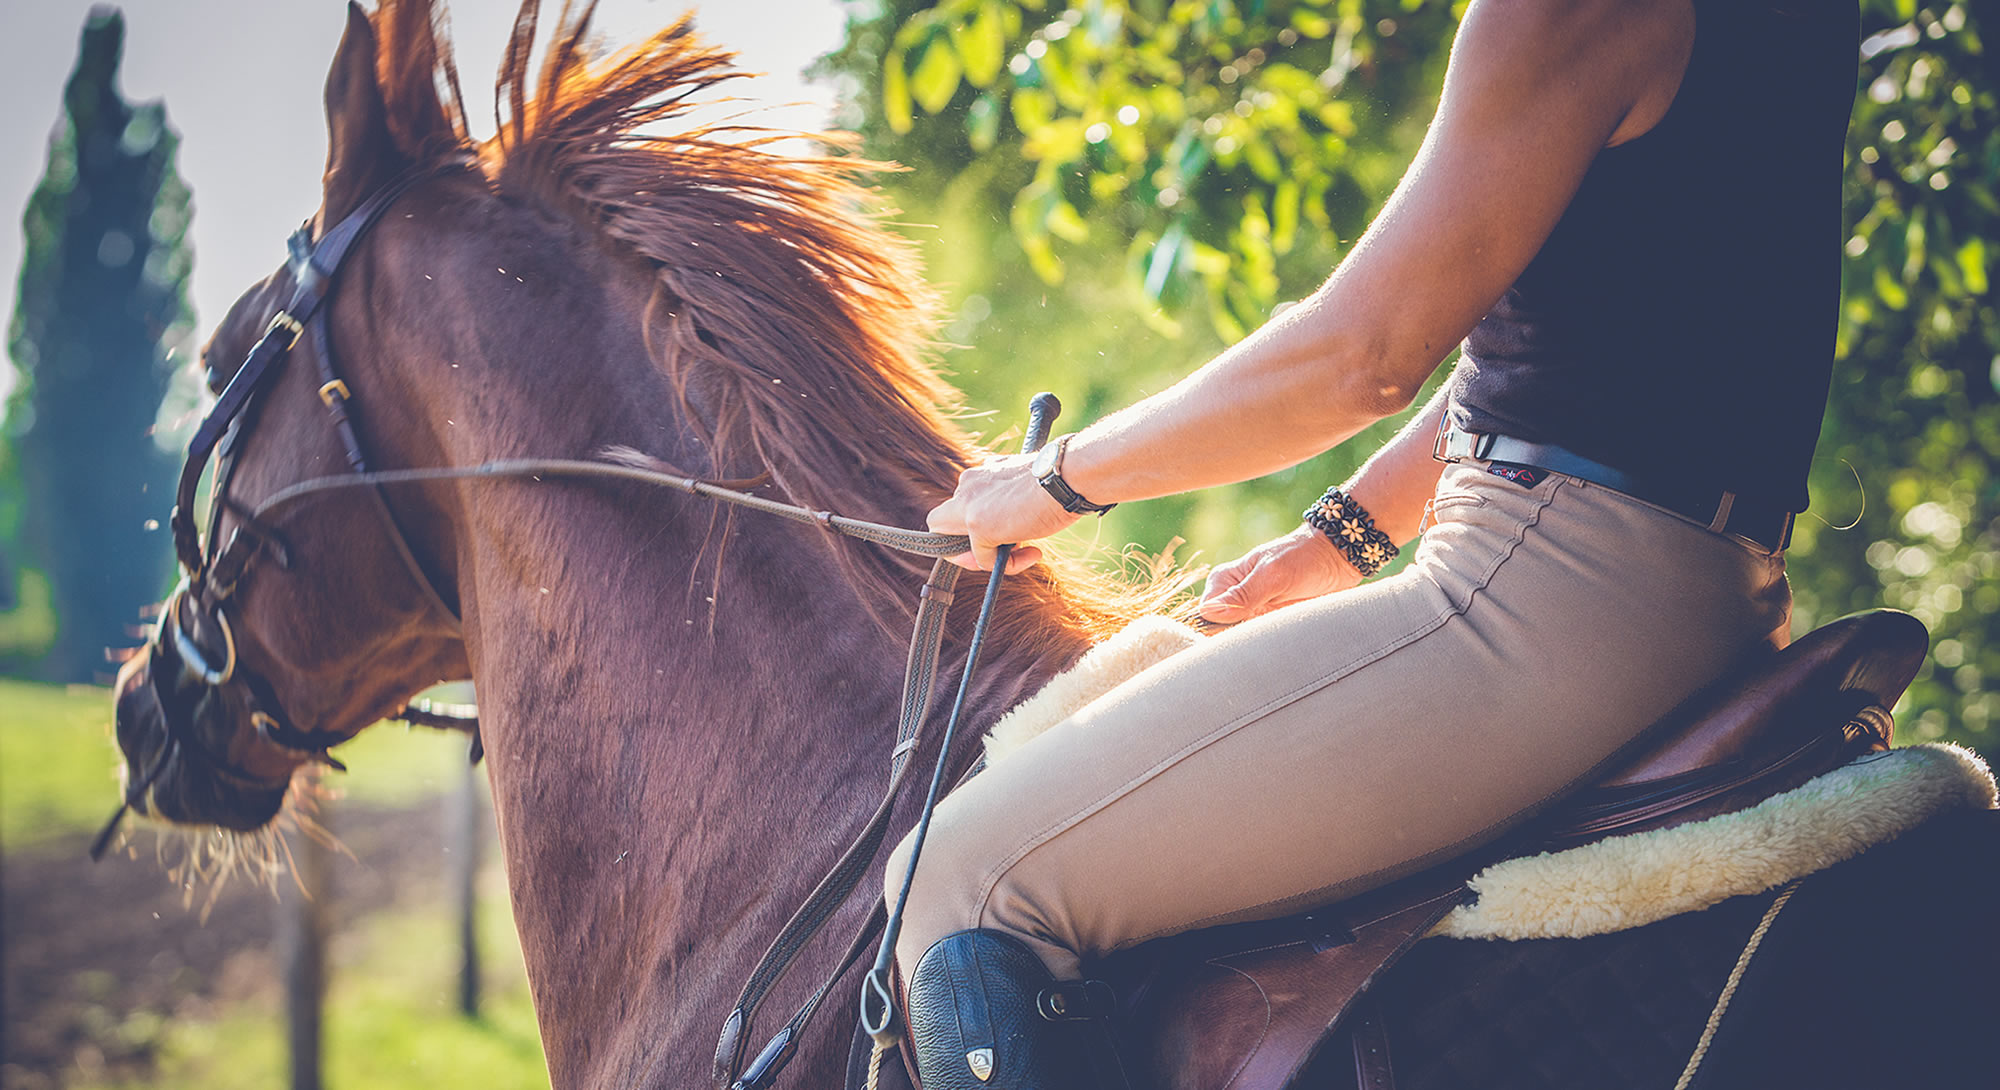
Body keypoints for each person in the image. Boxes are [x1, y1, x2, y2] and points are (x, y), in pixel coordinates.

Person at [886, 1, 1859, 1086]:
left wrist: (1059, 479)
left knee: (960, 880)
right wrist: (1341, 535)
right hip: (1706, 587)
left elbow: (1361, 357)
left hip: (1539, 605)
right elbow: (1582, 327)